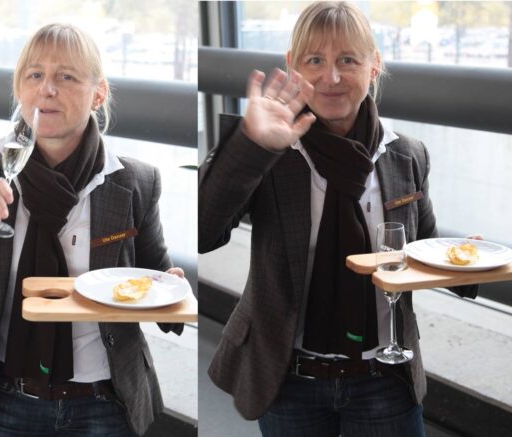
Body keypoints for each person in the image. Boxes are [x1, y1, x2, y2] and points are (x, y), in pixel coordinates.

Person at [199, 2, 477, 436]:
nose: (330, 78)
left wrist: (466, 261)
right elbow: (203, 231)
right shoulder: (271, 149)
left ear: (374, 65)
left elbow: (422, 250)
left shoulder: (406, 154)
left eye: (347, 60)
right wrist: (252, 146)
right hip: (289, 378)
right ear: (293, 67)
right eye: (315, 60)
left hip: (384, 375)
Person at [0, 23, 185, 436]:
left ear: (98, 94)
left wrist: (169, 288)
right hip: (3, 399)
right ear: (20, 90)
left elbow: (155, 279)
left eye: (66, 76)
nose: (47, 89)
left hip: (105, 403)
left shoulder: (135, 182)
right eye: (35, 75)